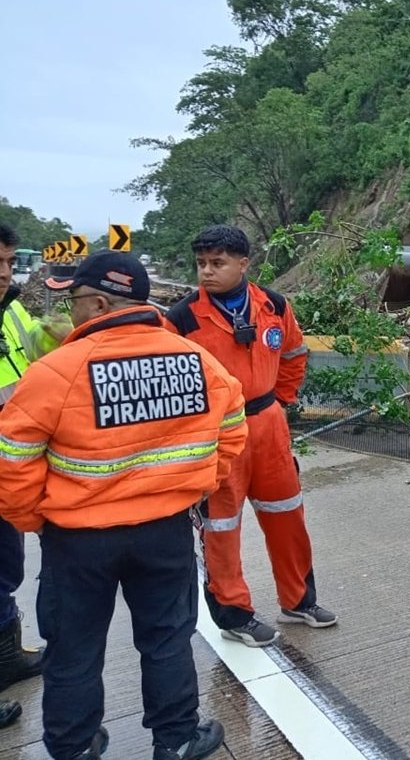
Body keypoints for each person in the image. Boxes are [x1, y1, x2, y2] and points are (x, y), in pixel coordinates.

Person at [0, 250, 248, 760]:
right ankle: (177, 739)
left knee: (74, 650)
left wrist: (35, 521)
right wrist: (199, 486)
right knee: (167, 639)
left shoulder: (56, 371)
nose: (67, 313)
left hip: (78, 543)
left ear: (95, 303)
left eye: (71, 302)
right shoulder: (197, 361)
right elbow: (232, 429)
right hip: (165, 533)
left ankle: (74, 748)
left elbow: (12, 462)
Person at [166, 225, 336, 648]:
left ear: (244, 264)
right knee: (220, 524)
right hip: (219, 433)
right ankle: (234, 613)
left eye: (217, 263)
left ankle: (298, 600)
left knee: (287, 514)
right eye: (202, 264)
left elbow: (294, 353)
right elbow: (172, 381)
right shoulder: (183, 318)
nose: (207, 272)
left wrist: (281, 400)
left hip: (268, 424)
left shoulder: (274, 306)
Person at [0, 225, 70, 730]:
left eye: (7, 262)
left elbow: (39, 362)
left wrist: (63, 344)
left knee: (5, 569)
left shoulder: (14, 310)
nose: (5, 274)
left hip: (9, 463)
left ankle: (7, 658)